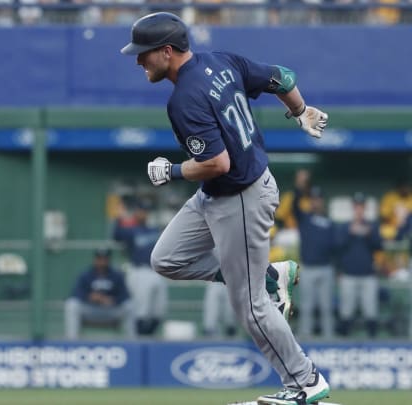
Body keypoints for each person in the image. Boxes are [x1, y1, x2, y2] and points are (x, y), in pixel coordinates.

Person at [120, 12, 330, 405]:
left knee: (249, 306)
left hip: (241, 197)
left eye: (144, 53)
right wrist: (300, 111)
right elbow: (282, 77)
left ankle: (306, 382)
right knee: (166, 259)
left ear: (166, 51)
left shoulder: (184, 98)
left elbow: (218, 163)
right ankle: (267, 275)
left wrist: (172, 170)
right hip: (220, 194)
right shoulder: (222, 60)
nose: (138, 61)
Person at [113, 199, 168, 336]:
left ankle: (148, 340)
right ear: (136, 213)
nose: (144, 213)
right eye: (141, 211)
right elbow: (116, 235)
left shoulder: (154, 230)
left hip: (157, 271)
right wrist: (119, 217)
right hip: (139, 271)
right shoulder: (131, 231)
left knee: (158, 311)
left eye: (146, 211)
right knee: (141, 311)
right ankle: (138, 341)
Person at [292, 181, 337, 339]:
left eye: (318, 198)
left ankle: (328, 337)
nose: (316, 201)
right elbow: (294, 206)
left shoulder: (329, 222)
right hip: (308, 268)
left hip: (326, 268)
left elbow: (335, 247)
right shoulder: (304, 218)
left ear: (322, 201)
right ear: (310, 200)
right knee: (307, 306)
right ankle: (306, 336)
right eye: (313, 198)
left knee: (326, 307)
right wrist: (299, 187)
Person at [336, 192, 382, 338]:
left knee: (371, 311)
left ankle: (373, 345)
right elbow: (337, 246)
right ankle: (344, 345)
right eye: (356, 206)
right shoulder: (344, 227)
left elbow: (379, 246)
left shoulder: (372, 226)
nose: (359, 209)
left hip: (368, 275)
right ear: (353, 208)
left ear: (364, 208)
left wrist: (369, 234)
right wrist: (350, 232)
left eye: (361, 206)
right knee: (346, 311)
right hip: (348, 274)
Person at [64, 248, 136, 340]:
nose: (102, 262)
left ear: (108, 260)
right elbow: (76, 293)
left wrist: (111, 300)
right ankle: (72, 342)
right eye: (99, 259)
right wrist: (90, 297)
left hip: (111, 310)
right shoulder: (86, 275)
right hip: (91, 310)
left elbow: (125, 296)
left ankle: (132, 342)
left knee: (129, 306)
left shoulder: (117, 275)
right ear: (95, 259)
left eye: (104, 259)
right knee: (72, 304)